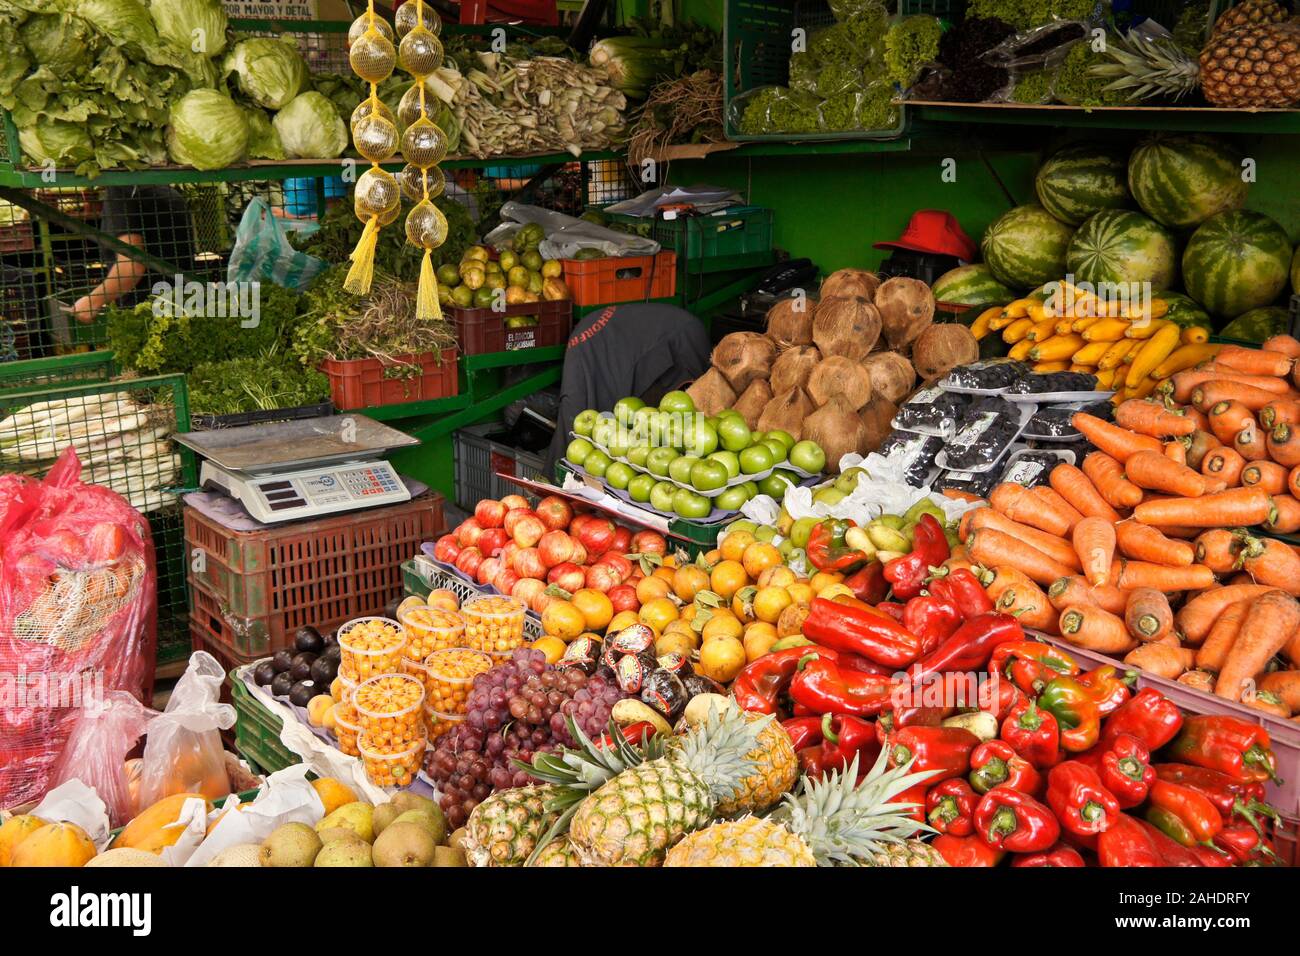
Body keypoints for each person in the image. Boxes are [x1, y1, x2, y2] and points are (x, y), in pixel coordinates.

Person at [545, 301, 712, 471]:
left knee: (687, 421)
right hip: (601, 345)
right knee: (575, 427)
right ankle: (555, 483)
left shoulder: (686, 340)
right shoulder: (579, 388)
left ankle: (555, 482)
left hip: (680, 338)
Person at [71, 185, 197, 323]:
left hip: (146, 315)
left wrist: (92, 301)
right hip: (180, 306)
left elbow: (131, 267)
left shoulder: (121, 192)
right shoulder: (168, 192)